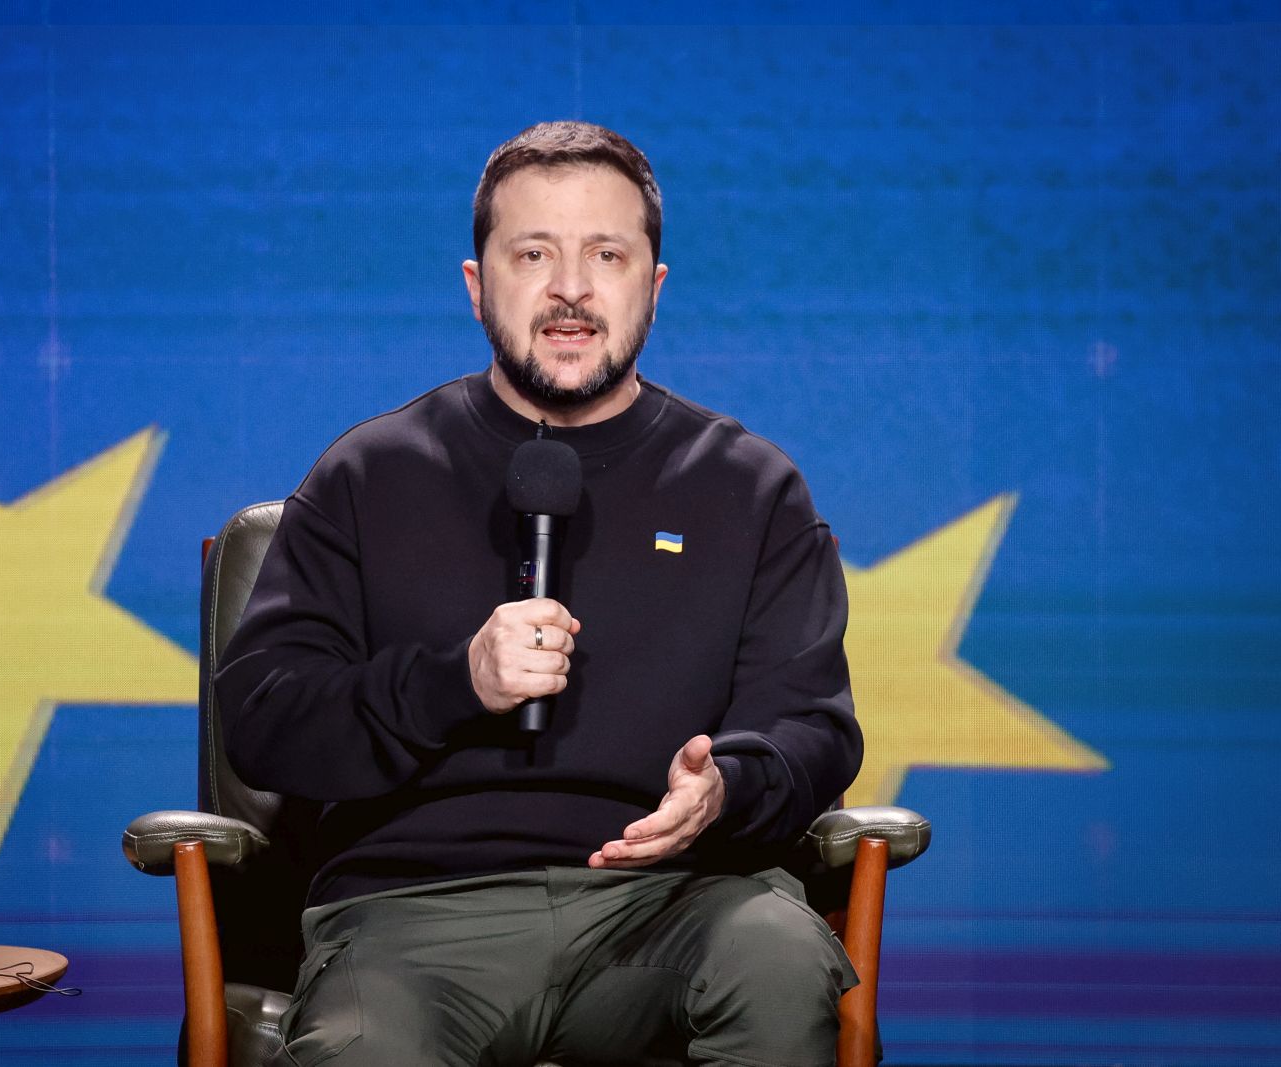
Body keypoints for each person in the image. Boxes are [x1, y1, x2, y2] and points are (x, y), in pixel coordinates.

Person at [215, 121, 864, 1067]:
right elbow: (263, 717)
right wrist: (453, 682)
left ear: (654, 283)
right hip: (413, 921)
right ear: (478, 286)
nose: (571, 288)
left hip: (674, 903)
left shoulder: (751, 488)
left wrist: (728, 783)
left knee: (778, 959)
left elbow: (815, 727)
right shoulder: (369, 476)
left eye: (607, 253)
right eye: (534, 254)